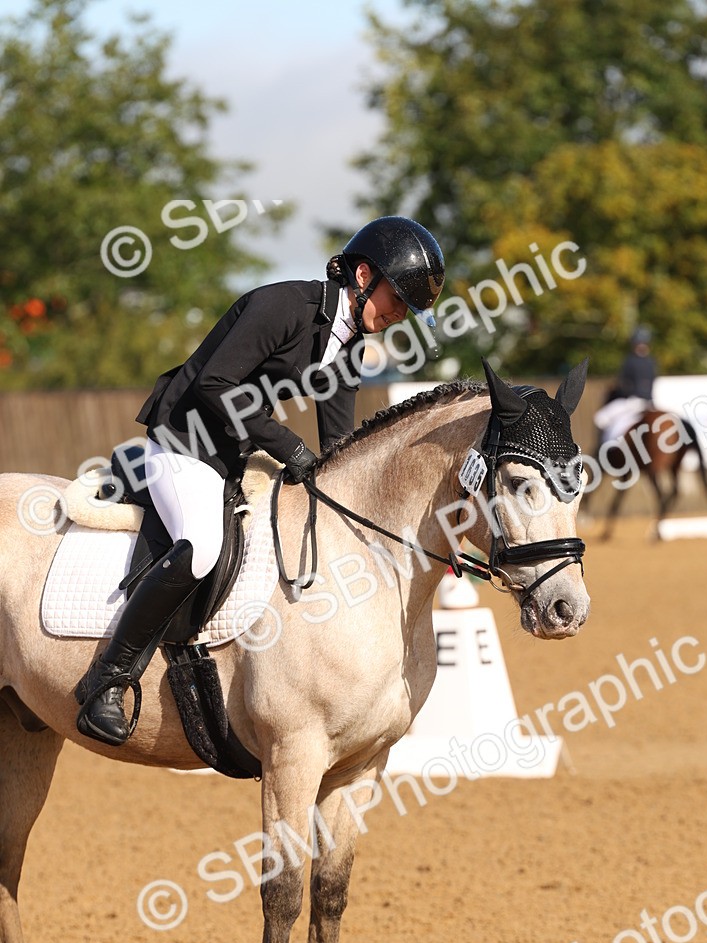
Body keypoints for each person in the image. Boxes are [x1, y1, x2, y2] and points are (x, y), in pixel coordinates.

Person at [74, 215, 446, 747]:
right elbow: (213, 384)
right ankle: (107, 678)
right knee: (201, 547)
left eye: (408, 308)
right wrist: (287, 445)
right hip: (181, 441)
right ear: (364, 275)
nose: (399, 315)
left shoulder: (346, 345)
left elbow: (340, 441)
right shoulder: (283, 306)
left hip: (234, 456)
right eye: (398, 299)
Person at [593, 326, 657, 453]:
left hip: (631, 401)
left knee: (600, 418)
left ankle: (604, 451)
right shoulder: (652, 362)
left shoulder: (629, 361)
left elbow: (623, 385)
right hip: (649, 403)